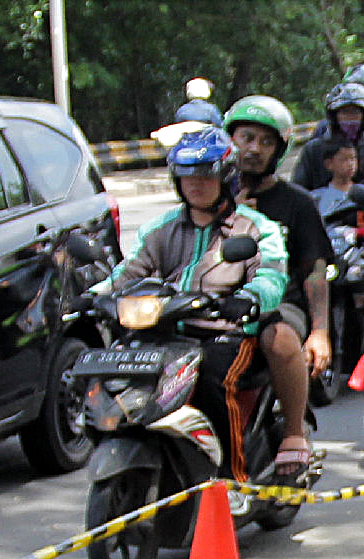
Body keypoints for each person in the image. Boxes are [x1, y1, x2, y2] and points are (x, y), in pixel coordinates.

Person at [121, 128, 289, 480]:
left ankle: (232, 480)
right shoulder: (160, 228)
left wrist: (248, 298)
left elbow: (272, 275)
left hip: (225, 332)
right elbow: (128, 271)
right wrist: (93, 295)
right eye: (186, 176)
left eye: (205, 175)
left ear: (225, 177)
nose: (195, 184)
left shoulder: (256, 228)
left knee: (214, 382)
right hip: (164, 332)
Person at [224, 96, 329, 482]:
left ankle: (293, 435)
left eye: (264, 143)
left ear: (278, 151)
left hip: (278, 306)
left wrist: (319, 331)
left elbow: (313, 270)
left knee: (278, 337)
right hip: (214, 305)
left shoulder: (296, 203)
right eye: (245, 137)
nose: (252, 149)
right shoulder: (207, 195)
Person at [293, 81, 364, 197]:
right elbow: (297, 189)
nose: (350, 118)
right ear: (334, 116)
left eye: (355, 112)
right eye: (344, 112)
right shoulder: (314, 149)